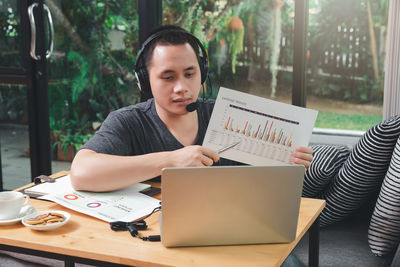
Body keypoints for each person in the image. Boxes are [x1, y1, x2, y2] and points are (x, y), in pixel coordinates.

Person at [70, 25, 313, 192]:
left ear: (202, 73)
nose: (181, 88)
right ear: (145, 81)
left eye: (190, 74)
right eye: (168, 77)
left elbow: (266, 189)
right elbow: (81, 173)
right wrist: (171, 160)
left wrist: (289, 165)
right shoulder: (128, 122)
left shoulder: (229, 117)